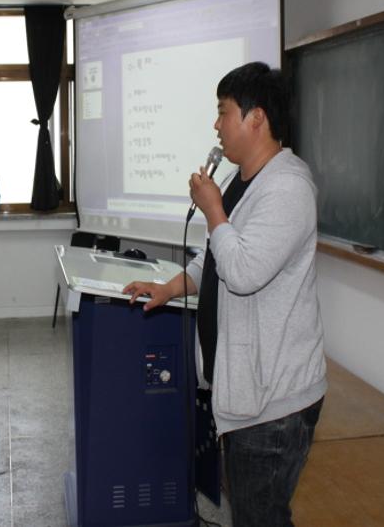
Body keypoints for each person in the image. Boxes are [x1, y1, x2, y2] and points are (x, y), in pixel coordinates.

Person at [124, 62, 327, 526]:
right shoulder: (242, 179)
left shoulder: (288, 188)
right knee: (252, 513)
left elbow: (244, 271)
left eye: (223, 112)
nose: (216, 126)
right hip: (245, 392)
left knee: (260, 517)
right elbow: (216, 257)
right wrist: (169, 288)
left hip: (275, 403)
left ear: (257, 118)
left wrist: (214, 209)